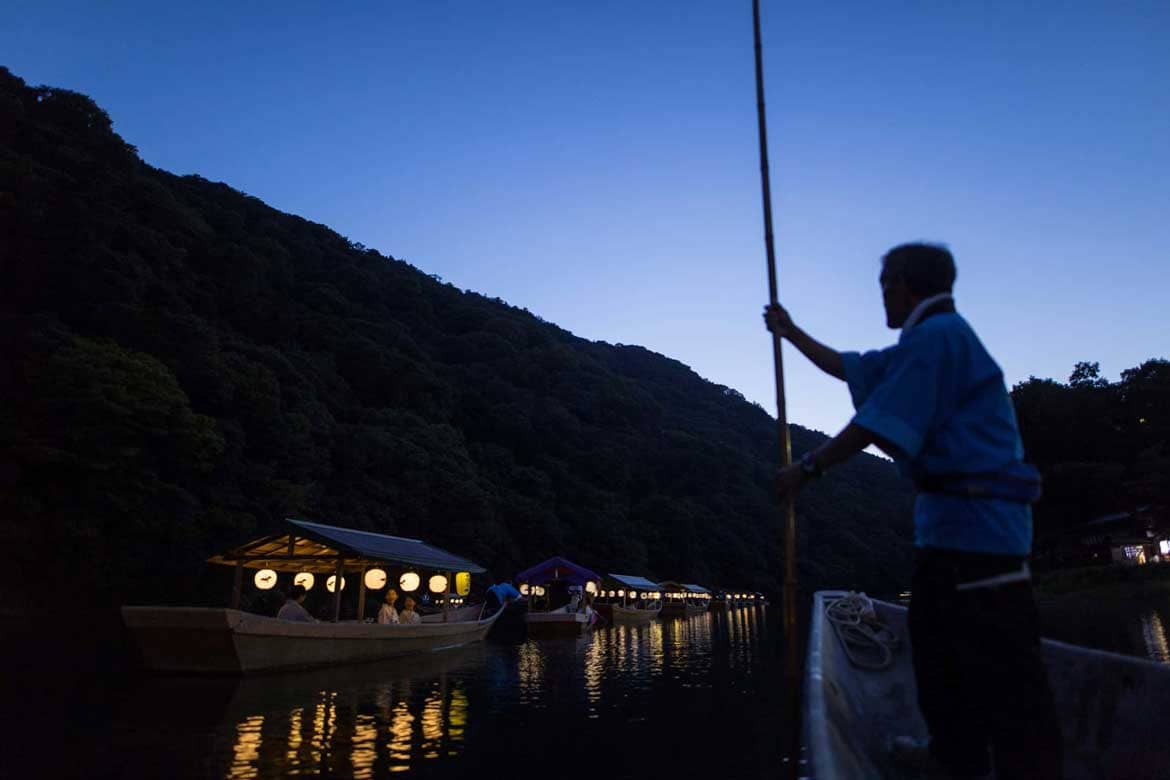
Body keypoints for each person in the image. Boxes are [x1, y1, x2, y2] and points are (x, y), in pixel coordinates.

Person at [766, 243, 1061, 780]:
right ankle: (955, 754)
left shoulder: (937, 339)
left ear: (903, 283)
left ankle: (973, 760)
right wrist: (791, 332)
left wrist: (804, 470)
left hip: (977, 538)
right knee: (939, 656)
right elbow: (853, 369)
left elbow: (876, 422)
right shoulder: (925, 344)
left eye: (882, 285)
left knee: (996, 674)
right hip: (958, 536)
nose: (880, 297)